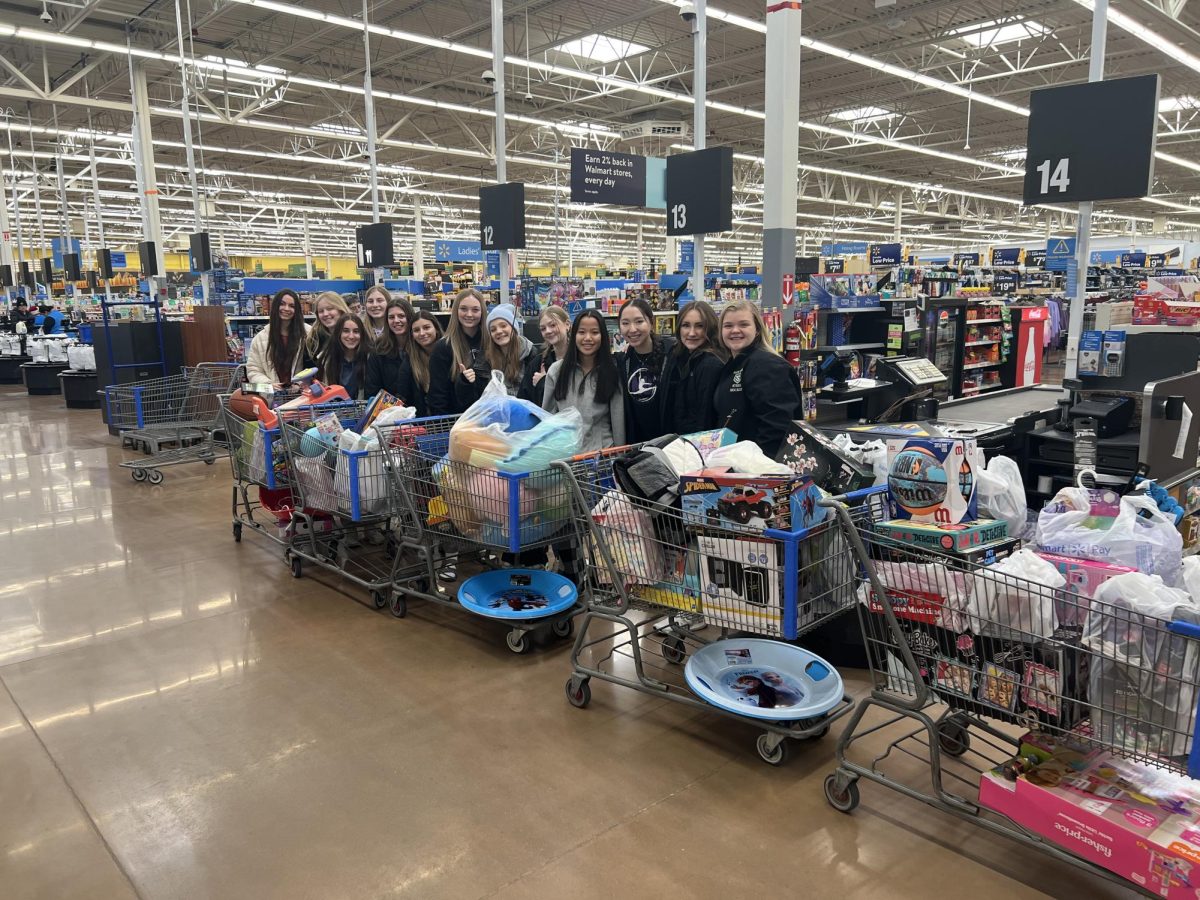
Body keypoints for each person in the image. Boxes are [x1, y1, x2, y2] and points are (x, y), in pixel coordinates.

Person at [711, 299, 802, 459]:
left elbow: (778, 425)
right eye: (728, 326)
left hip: (758, 470)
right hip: (735, 465)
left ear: (758, 330)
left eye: (744, 324)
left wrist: (757, 466)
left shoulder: (767, 365)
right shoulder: (733, 366)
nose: (735, 330)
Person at [542, 308, 624, 452]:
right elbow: (547, 417)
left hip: (602, 457)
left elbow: (618, 421)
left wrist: (619, 454)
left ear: (603, 336)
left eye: (594, 332)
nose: (587, 338)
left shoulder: (612, 372)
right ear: (574, 335)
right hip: (565, 458)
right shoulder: (556, 371)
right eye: (581, 332)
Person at [659, 301, 725, 436]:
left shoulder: (710, 365)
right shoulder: (678, 355)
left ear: (711, 328)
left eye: (700, 326)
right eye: (686, 325)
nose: (692, 333)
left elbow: (705, 417)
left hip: (695, 447)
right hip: (677, 442)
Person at [455, 303, 538, 407]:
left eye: (503, 326)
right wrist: (465, 382)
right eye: (493, 329)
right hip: (494, 420)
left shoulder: (531, 355)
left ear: (514, 328)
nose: (498, 331)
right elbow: (471, 402)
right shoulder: (484, 360)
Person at [616, 297, 675, 442]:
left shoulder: (672, 354)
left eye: (639, 321)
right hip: (637, 447)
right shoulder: (624, 361)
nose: (632, 329)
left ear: (651, 322)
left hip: (670, 443)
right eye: (625, 323)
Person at [427, 288, 485, 415]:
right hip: (456, 421)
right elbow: (437, 395)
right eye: (463, 309)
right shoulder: (443, 347)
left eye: (475, 309)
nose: (469, 314)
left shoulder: (490, 343)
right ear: (456, 311)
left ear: (482, 312)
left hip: (489, 420)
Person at [246, 289, 309, 387]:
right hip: (273, 397)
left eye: (292, 306)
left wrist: (299, 383)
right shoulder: (260, 339)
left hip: (302, 396)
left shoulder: (307, 333)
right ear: (275, 306)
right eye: (282, 304)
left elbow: (313, 367)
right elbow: (253, 370)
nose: (286, 308)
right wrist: (269, 384)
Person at [393, 310, 444, 417]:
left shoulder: (449, 353)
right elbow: (402, 395)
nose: (422, 333)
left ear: (436, 329)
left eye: (426, 327)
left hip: (451, 419)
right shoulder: (409, 362)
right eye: (416, 330)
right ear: (412, 335)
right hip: (422, 423)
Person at [365, 297, 416, 399]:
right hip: (391, 411)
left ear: (410, 317)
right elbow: (373, 390)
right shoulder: (378, 350)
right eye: (391, 317)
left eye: (401, 316)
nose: (396, 321)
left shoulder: (419, 346)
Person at [519, 304, 569, 405]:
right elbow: (524, 400)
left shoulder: (581, 358)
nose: (548, 331)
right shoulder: (538, 363)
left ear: (567, 324)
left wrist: (544, 382)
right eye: (543, 329)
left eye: (553, 325)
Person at [320, 313, 368, 400]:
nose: (351, 336)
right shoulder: (327, 359)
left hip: (362, 410)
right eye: (346, 331)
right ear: (338, 333)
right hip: (333, 410)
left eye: (356, 331)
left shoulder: (369, 358)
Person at [302, 291, 351, 370]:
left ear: (340, 309)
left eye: (330, 309)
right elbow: (308, 371)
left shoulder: (354, 335)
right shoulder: (313, 341)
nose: (325, 314)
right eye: (321, 311)